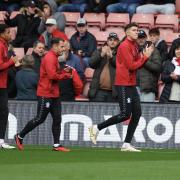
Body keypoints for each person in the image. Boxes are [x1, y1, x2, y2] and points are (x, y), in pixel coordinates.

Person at [89, 23, 154, 152]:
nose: (137, 32)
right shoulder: (124, 46)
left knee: (137, 113)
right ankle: (96, 128)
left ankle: (126, 144)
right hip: (123, 83)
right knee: (125, 114)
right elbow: (132, 66)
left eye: (137, 30)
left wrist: (143, 55)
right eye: (134, 30)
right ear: (127, 33)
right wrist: (145, 57)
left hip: (131, 83)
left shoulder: (134, 45)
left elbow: (136, 63)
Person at [14, 38, 72, 151]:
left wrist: (63, 72)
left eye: (64, 47)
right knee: (40, 118)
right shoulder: (50, 58)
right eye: (62, 46)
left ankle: (56, 145)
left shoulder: (53, 57)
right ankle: (19, 136)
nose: (64, 49)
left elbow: (54, 74)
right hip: (46, 93)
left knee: (57, 119)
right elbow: (52, 76)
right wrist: (65, 75)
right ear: (55, 46)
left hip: (54, 93)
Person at [0, 24, 20, 149]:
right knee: (3, 112)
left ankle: (1, 140)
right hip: (0, 85)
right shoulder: (0, 46)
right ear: (1, 34)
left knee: (3, 112)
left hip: (2, 84)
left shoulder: (4, 45)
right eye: (7, 32)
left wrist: (12, 64)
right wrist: (11, 62)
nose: (10, 34)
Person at [88, 32, 119, 102]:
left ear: (118, 42)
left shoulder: (120, 53)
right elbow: (91, 64)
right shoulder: (99, 51)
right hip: (98, 91)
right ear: (107, 41)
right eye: (110, 40)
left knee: (111, 113)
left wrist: (111, 57)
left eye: (115, 40)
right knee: (97, 112)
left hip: (113, 92)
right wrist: (101, 55)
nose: (112, 42)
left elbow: (121, 66)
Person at [136, 30, 162, 102]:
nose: (140, 40)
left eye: (143, 38)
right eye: (138, 38)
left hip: (147, 88)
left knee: (147, 112)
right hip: (133, 87)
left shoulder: (153, 50)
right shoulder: (132, 50)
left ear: (146, 38)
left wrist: (144, 60)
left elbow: (158, 68)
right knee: (132, 112)